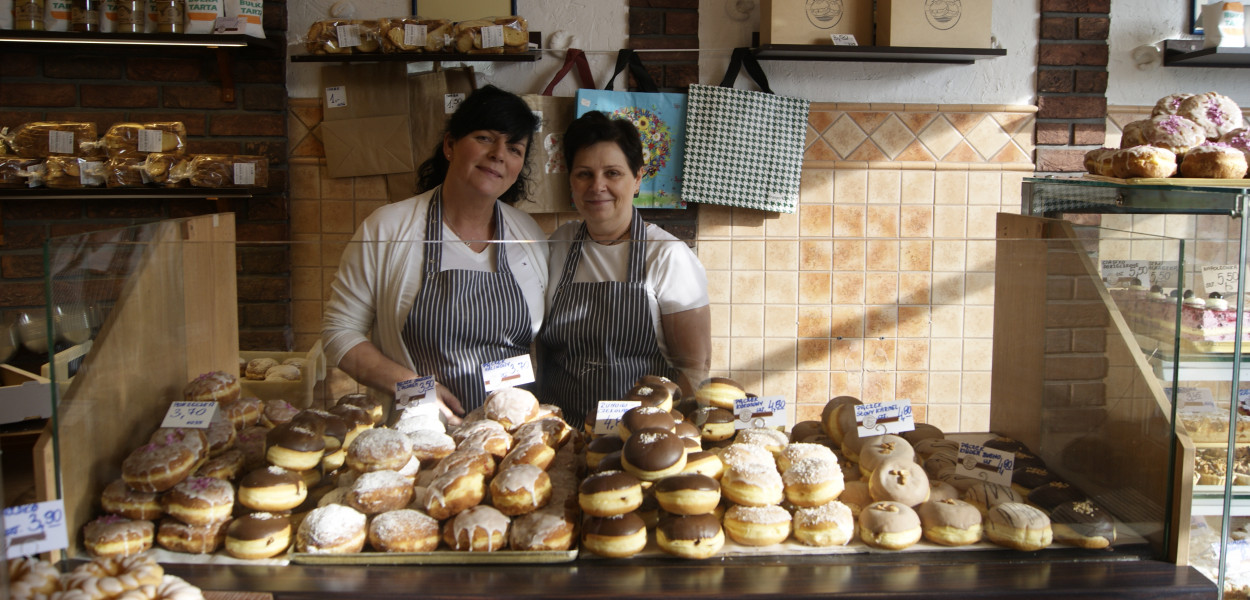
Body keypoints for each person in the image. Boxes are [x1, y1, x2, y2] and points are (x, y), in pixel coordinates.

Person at [322, 85, 548, 425]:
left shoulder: (528, 235)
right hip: (420, 433)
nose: (499, 154)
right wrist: (414, 388)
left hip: (509, 437)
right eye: (485, 138)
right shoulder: (388, 228)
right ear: (449, 145)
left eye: (514, 148)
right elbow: (339, 332)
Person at [537, 111, 711, 427]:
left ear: (638, 179)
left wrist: (664, 431)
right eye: (584, 174)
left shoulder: (667, 255)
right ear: (571, 182)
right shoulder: (558, 244)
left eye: (613, 173)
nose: (597, 186)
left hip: (633, 439)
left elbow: (694, 369)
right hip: (561, 435)